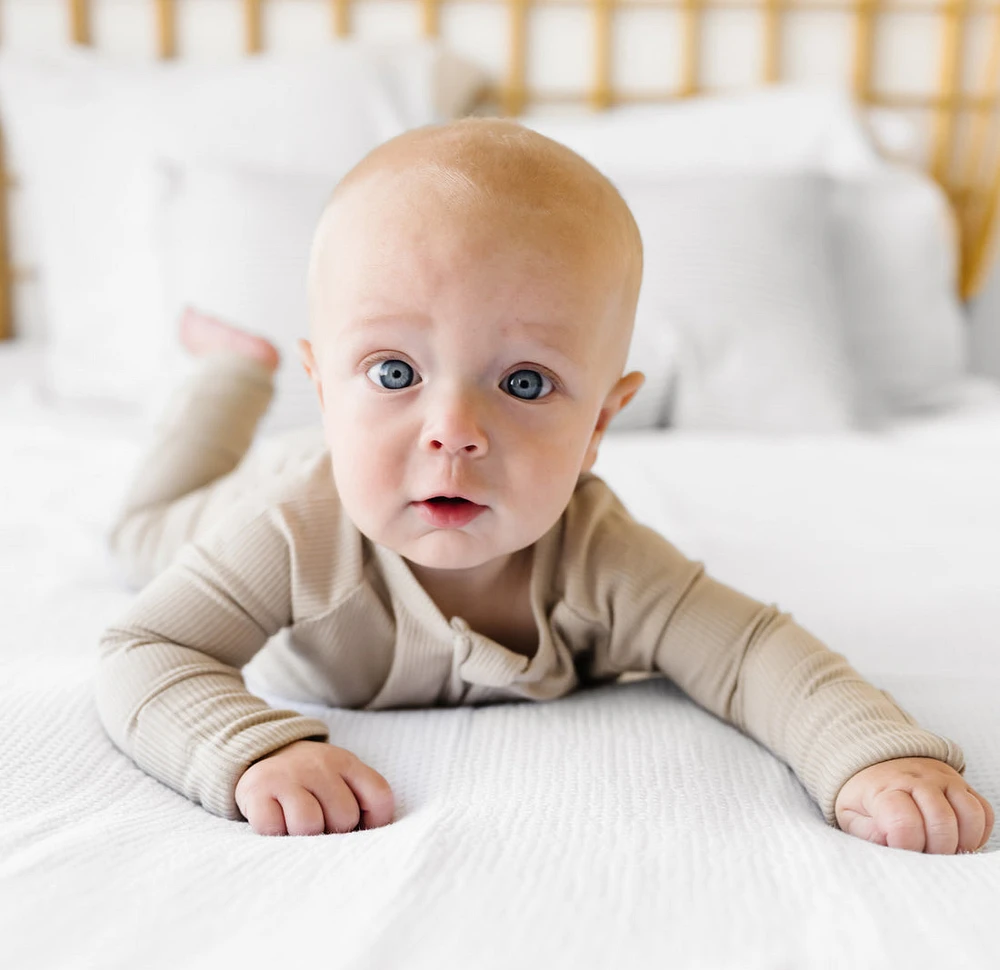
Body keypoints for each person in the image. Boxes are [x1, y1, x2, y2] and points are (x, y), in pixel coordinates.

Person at [97, 118, 994, 853]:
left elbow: (752, 654)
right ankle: (229, 375)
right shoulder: (292, 533)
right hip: (261, 484)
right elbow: (146, 652)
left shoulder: (602, 557)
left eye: (525, 382)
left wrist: (871, 758)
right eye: (393, 371)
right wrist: (247, 752)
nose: (454, 429)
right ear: (325, 390)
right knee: (137, 534)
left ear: (601, 422)